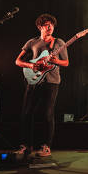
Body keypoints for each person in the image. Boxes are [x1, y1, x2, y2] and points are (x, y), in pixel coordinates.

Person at [15, 14, 68, 157]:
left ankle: (46, 147)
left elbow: (66, 62)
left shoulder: (59, 42)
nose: (50, 27)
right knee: (26, 114)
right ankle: (25, 146)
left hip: (51, 82)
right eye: (46, 25)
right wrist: (31, 66)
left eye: (51, 25)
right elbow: (18, 61)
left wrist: (56, 61)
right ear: (40, 27)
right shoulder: (32, 42)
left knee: (47, 114)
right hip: (33, 81)